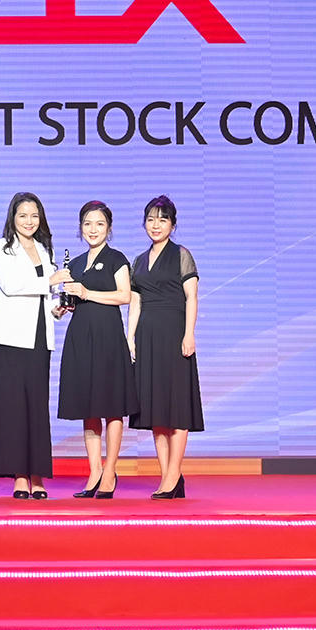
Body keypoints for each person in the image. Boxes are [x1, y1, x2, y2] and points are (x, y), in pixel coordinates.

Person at [0, 192, 69, 500]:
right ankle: (19, 475)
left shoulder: (46, 249)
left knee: (37, 406)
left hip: (38, 336)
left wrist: (58, 308)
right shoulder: (1, 247)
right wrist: (51, 280)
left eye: (34, 215)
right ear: (13, 218)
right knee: (12, 407)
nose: (29, 221)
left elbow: (47, 296)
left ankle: (37, 475)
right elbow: (11, 286)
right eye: (23, 215)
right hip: (9, 337)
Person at [55, 200, 134, 499]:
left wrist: (88, 293)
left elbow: (124, 296)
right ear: (80, 227)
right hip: (80, 337)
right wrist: (62, 307)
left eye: (99, 224)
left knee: (111, 407)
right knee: (88, 408)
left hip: (108, 338)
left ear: (108, 228)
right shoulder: (74, 264)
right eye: (87, 223)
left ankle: (110, 471)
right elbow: (74, 302)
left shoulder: (116, 259)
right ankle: (94, 472)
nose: (93, 229)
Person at [128, 195, 203, 500]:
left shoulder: (181, 254)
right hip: (147, 337)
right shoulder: (138, 261)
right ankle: (168, 477)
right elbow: (135, 302)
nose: (156, 225)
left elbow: (192, 297)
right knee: (156, 411)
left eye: (162, 219)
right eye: (150, 219)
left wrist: (189, 334)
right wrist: (130, 337)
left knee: (177, 408)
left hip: (174, 335)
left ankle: (173, 477)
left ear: (173, 224)